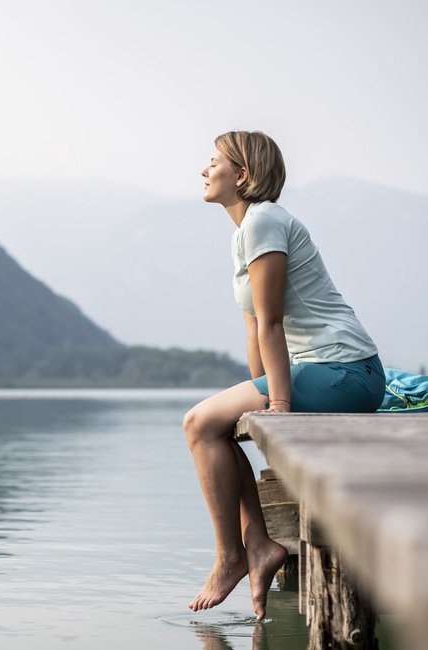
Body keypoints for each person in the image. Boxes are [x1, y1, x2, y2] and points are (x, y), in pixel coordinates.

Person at [183, 130, 385, 620]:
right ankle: (257, 547)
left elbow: (272, 322)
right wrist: (256, 403)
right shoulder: (245, 231)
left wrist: (277, 407)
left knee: (197, 423)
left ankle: (234, 555)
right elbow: (255, 327)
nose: (204, 170)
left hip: (345, 371)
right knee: (217, 427)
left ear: (243, 175)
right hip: (317, 369)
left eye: (214, 162)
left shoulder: (264, 221)